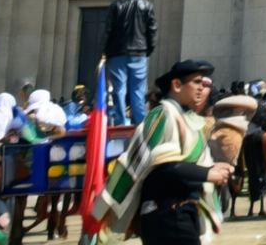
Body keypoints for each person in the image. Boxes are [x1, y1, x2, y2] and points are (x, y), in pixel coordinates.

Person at [91, 60, 232, 245]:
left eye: (204, 84)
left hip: (183, 212)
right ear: (176, 85)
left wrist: (210, 167)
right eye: (197, 82)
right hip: (167, 214)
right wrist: (207, 173)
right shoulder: (163, 116)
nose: (202, 88)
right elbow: (164, 166)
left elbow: (183, 164)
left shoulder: (188, 121)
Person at [104, 0, 158, 125]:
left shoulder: (116, 5)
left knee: (119, 89)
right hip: (139, 53)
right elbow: (152, 30)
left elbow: (108, 30)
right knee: (138, 89)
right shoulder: (147, 5)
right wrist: (149, 49)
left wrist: (104, 51)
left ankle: (120, 121)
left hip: (118, 53)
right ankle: (139, 121)